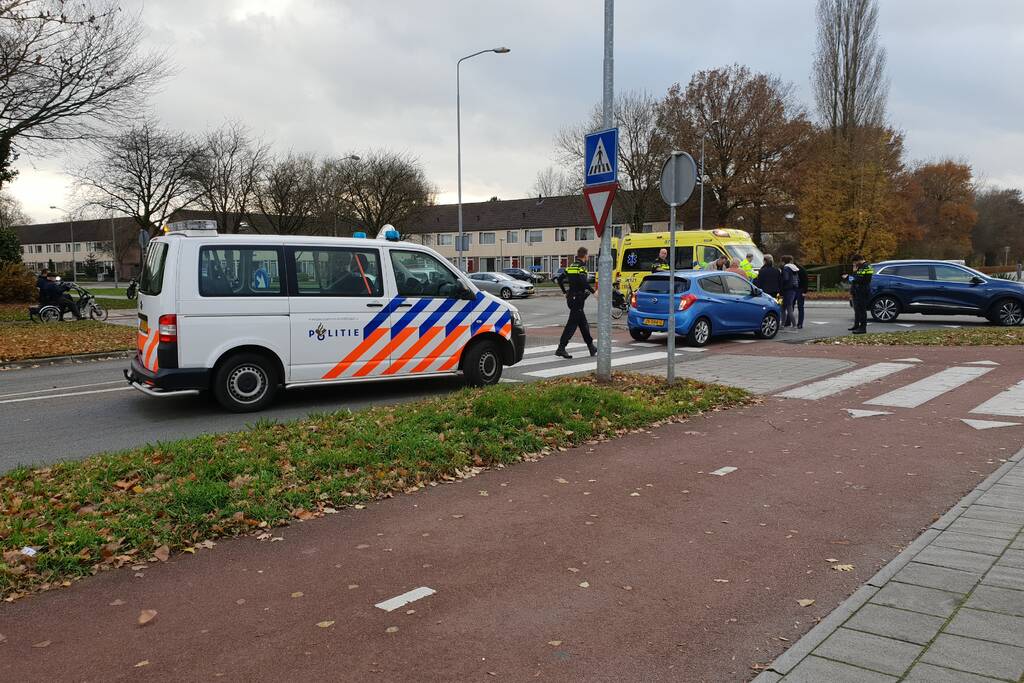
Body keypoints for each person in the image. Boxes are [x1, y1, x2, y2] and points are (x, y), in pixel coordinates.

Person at [555, 246, 597, 359]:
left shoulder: (571, 267)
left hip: (571, 298)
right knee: (572, 324)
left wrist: (564, 292)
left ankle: (591, 346)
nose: (588, 257)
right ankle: (561, 348)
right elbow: (583, 282)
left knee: (583, 324)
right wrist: (594, 292)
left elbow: (559, 279)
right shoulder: (581, 267)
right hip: (578, 299)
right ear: (585, 255)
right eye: (587, 255)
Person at [845, 255, 874, 334]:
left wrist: (848, 277)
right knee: (857, 310)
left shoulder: (865, 267)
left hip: (862, 291)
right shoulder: (862, 267)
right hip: (858, 290)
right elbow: (856, 278)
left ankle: (862, 328)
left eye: (855, 262)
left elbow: (857, 279)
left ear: (859, 260)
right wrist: (854, 272)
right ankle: (856, 325)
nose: (854, 264)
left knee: (861, 310)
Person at [780, 255, 800, 329]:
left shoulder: (786, 268)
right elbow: (798, 280)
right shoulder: (794, 268)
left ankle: (783, 325)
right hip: (793, 290)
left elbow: (786, 278)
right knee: (789, 308)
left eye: (781, 261)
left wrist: (781, 281)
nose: (781, 263)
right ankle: (794, 325)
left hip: (785, 290)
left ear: (784, 261)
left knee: (783, 308)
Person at [795, 259, 808, 329]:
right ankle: (800, 324)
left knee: (790, 307)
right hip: (800, 289)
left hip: (796, 289)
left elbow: (805, 280)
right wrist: (805, 291)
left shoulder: (790, 269)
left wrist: (804, 291)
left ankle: (787, 322)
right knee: (800, 307)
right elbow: (806, 280)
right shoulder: (802, 269)